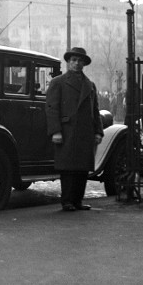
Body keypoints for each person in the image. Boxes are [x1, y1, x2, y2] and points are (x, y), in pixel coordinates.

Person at [46, 46, 104, 212]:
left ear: (84, 64)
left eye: (80, 61)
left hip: (85, 132)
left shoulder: (90, 85)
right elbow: (51, 108)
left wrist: (98, 131)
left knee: (82, 168)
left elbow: (95, 110)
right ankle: (67, 201)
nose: (77, 64)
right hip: (67, 131)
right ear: (68, 62)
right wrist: (55, 131)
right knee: (68, 168)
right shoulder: (58, 82)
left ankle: (78, 200)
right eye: (74, 60)